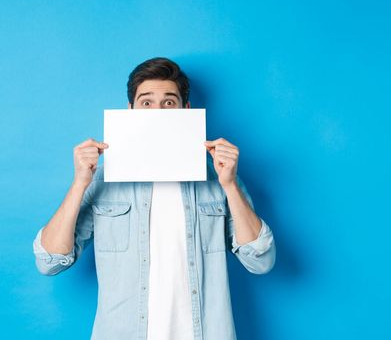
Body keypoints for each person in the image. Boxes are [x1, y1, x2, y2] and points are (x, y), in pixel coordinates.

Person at [32, 57, 276, 340]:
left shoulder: (217, 176)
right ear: (130, 110)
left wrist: (230, 185)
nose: (157, 112)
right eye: (146, 103)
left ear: (186, 110)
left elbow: (261, 261)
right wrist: (79, 184)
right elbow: (49, 261)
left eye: (169, 103)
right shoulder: (101, 177)